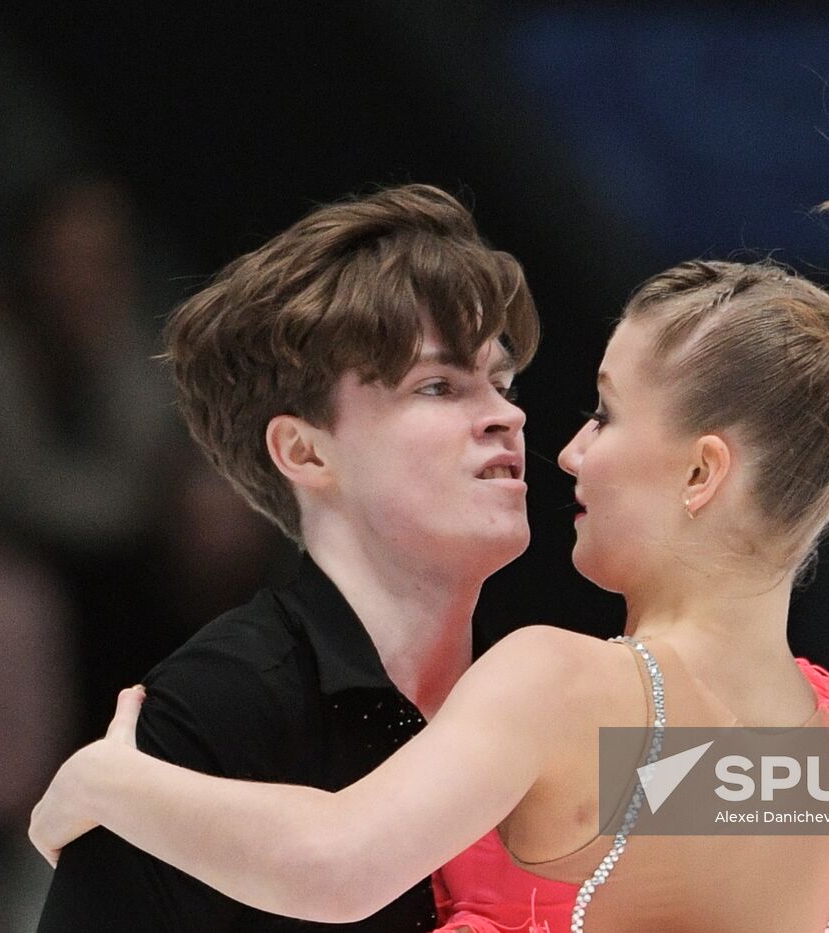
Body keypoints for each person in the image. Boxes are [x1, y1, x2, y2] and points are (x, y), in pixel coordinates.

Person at [30, 8, 829, 931]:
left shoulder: (568, 688)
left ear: (702, 472)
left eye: (606, 414)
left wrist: (111, 784)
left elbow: (335, 867)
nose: (560, 443)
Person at [34, 183, 540, 932]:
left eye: (499, 380)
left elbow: (772, 795)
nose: (507, 413)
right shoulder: (209, 712)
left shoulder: (551, 696)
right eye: (439, 385)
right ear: (304, 449)